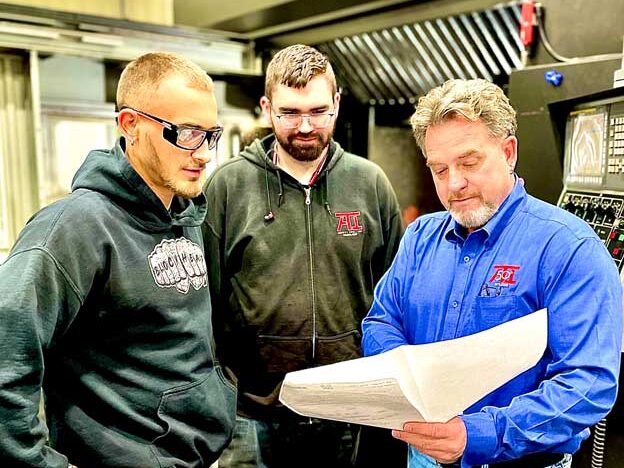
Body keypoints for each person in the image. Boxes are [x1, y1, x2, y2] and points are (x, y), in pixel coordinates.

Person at [361, 78, 622, 468]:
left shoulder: (568, 248)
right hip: (422, 457)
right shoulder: (419, 238)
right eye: (439, 169)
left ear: (509, 151)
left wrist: (480, 434)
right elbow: (381, 321)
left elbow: (589, 383)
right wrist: (408, 379)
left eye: (469, 163)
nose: (454, 184)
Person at [0, 51, 236, 467]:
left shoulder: (186, 213)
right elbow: (6, 356)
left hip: (192, 454)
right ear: (131, 125)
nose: (203, 153)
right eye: (186, 133)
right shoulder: (76, 227)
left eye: (210, 134)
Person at [202, 44, 405, 467]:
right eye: (290, 113)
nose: (306, 126)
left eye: (318, 111)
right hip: (251, 411)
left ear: (337, 103)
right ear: (266, 107)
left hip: (348, 408)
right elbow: (205, 301)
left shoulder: (369, 184)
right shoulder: (228, 187)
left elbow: (395, 294)